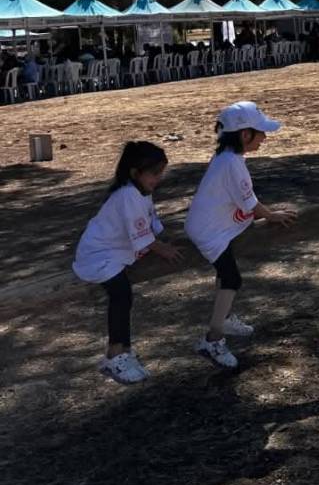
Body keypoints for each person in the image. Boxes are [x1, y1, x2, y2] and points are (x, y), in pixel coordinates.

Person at [185, 101, 297, 370]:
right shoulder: (231, 164)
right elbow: (251, 204)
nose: (264, 137)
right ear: (245, 134)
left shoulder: (227, 158)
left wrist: (264, 213)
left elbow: (243, 200)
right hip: (211, 232)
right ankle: (213, 339)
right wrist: (271, 215)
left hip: (211, 227)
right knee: (232, 279)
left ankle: (224, 318)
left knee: (227, 275)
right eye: (261, 132)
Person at [72, 141, 181, 384]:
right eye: (154, 173)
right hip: (98, 256)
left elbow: (151, 226)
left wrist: (165, 241)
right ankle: (114, 355)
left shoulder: (142, 193)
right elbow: (143, 236)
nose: (158, 179)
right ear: (135, 173)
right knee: (121, 294)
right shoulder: (127, 194)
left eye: (160, 173)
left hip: (116, 253)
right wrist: (163, 249)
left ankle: (124, 351)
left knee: (125, 294)